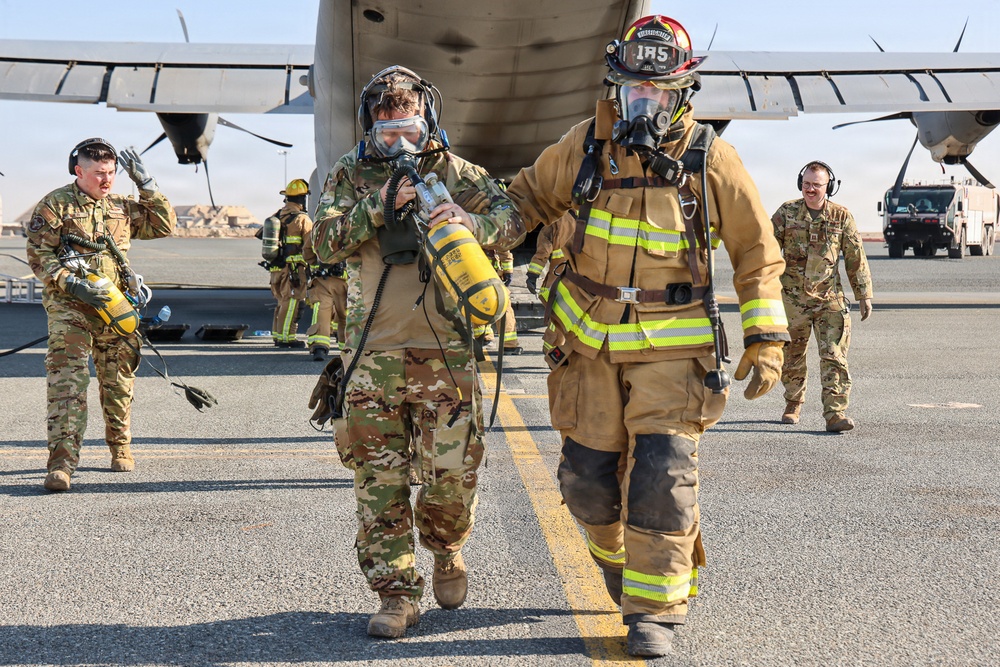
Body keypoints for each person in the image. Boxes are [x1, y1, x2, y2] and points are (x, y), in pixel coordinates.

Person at [505, 16, 790, 657]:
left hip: (673, 349)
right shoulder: (583, 147)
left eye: (658, 92)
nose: (645, 104)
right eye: (634, 91)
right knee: (586, 480)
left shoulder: (710, 160)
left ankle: (656, 608)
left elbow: (756, 252)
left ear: (682, 93)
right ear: (616, 87)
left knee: (662, 476)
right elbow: (524, 198)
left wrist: (766, 337)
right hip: (591, 345)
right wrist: (469, 222)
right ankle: (612, 556)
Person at [311, 65, 523, 639]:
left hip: (446, 353)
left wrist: (468, 218)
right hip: (370, 355)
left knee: (451, 476)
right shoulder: (350, 173)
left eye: (409, 130)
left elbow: (513, 220)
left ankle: (446, 546)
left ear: (428, 120)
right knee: (378, 483)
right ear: (368, 128)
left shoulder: (457, 171)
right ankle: (396, 595)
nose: (400, 144)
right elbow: (322, 240)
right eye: (387, 134)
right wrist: (376, 206)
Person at [24, 138, 176, 492]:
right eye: (98, 174)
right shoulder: (55, 205)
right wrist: (70, 283)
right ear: (79, 171)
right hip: (70, 307)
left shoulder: (121, 206)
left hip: (114, 307)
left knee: (118, 379)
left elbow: (163, 226)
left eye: (111, 173)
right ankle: (61, 466)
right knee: (68, 382)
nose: (106, 180)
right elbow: (38, 255)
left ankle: (120, 446)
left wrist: (147, 185)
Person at [772, 161, 873, 432]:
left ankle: (835, 413)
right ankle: (793, 402)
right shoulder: (786, 213)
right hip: (792, 299)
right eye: (806, 184)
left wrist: (864, 295)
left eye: (816, 184)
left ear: (829, 187)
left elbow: (855, 257)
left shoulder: (841, 217)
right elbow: (767, 251)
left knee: (834, 355)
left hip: (829, 298)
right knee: (791, 355)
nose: (810, 189)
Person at [265, 179, 312, 348]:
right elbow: (310, 246)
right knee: (292, 301)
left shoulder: (277, 216)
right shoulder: (302, 219)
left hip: (276, 269)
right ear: (302, 199)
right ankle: (286, 337)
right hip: (293, 271)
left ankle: (278, 335)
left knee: (282, 301)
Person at [302, 223, 347, 361]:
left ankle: (319, 347)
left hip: (322, 280)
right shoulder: (353, 222)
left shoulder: (318, 226)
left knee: (322, 310)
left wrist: (316, 263)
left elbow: (307, 252)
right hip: (347, 281)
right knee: (347, 315)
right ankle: (347, 348)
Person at [524, 212, 575, 297]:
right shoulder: (589, 218)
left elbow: (543, 252)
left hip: (557, 279)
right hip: (582, 284)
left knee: (549, 298)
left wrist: (532, 276)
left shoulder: (556, 222)